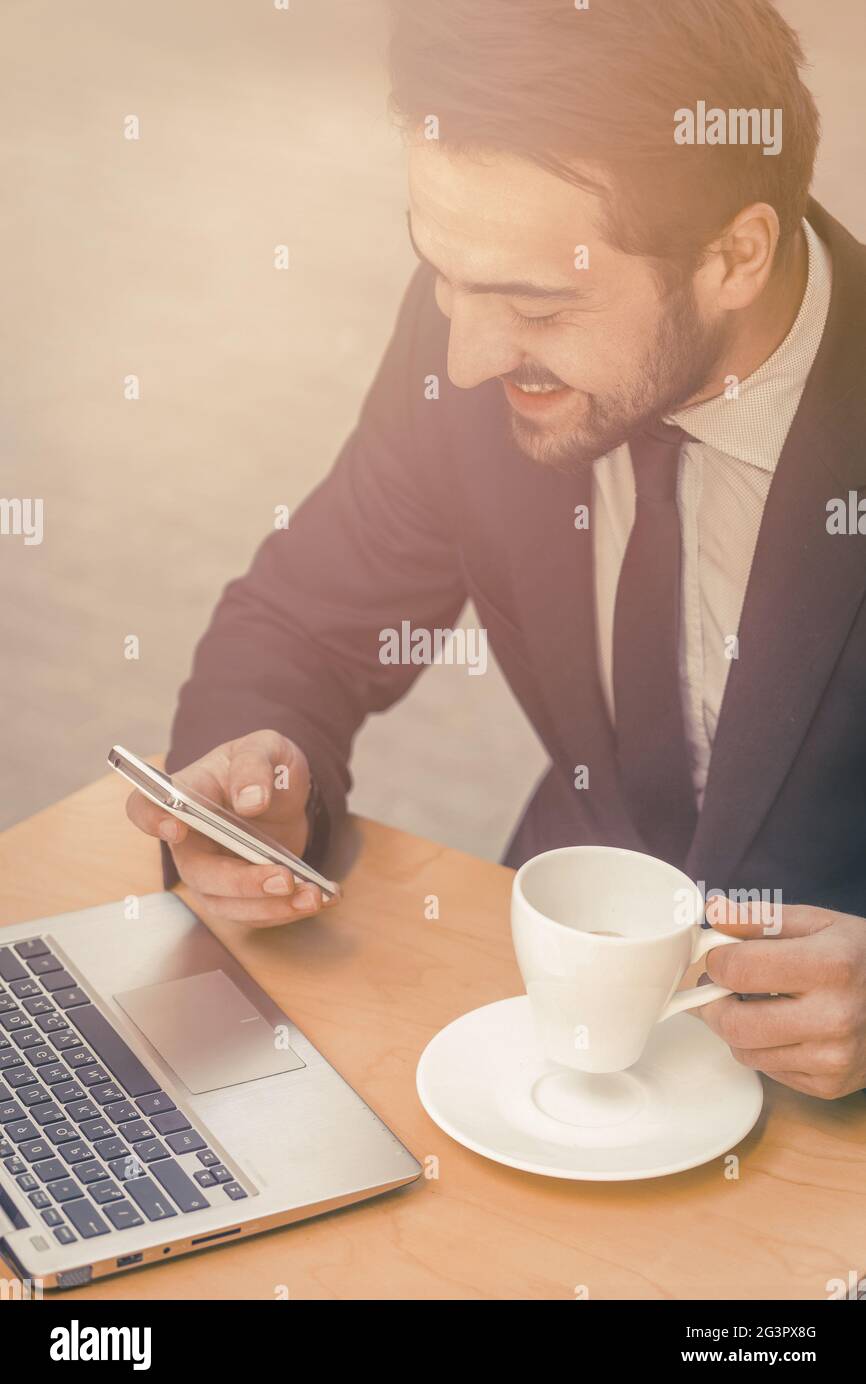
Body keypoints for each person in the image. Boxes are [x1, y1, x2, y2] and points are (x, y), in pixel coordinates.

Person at [127, 0, 866, 1099]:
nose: (467, 357)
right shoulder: (473, 326)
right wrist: (250, 784)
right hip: (545, 1038)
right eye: (440, 269)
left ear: (732, 257)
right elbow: (310, 621)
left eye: (534, 304)